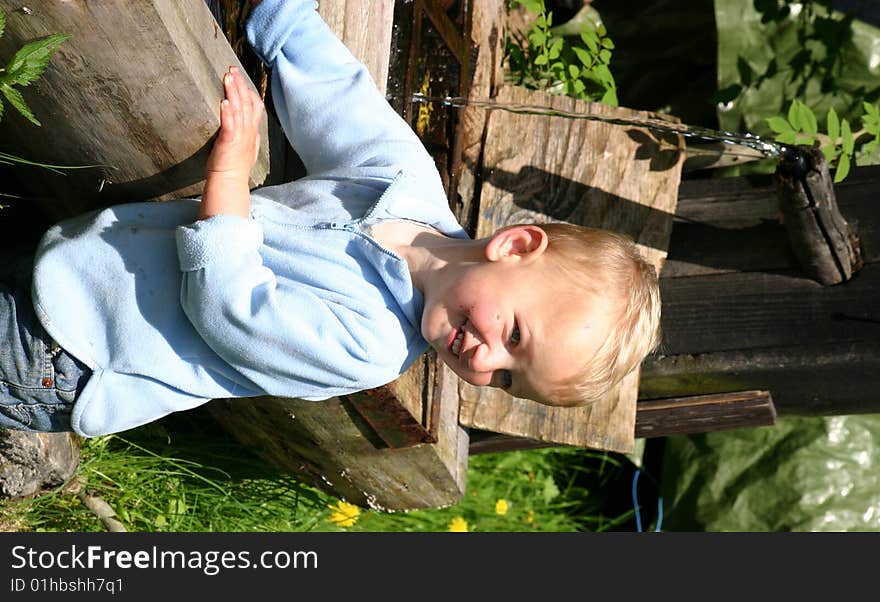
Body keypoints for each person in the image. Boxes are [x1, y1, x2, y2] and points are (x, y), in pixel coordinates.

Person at [0, 0, 660, 438]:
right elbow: (335, 93)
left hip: (73, 354)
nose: (486, 361)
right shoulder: (405, 186)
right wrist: (279, 15)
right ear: (515, 245)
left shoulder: (370, 347)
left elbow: (230, 309)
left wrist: (231, 171)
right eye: (514, 335)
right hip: (80, 268)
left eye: (510, 378)